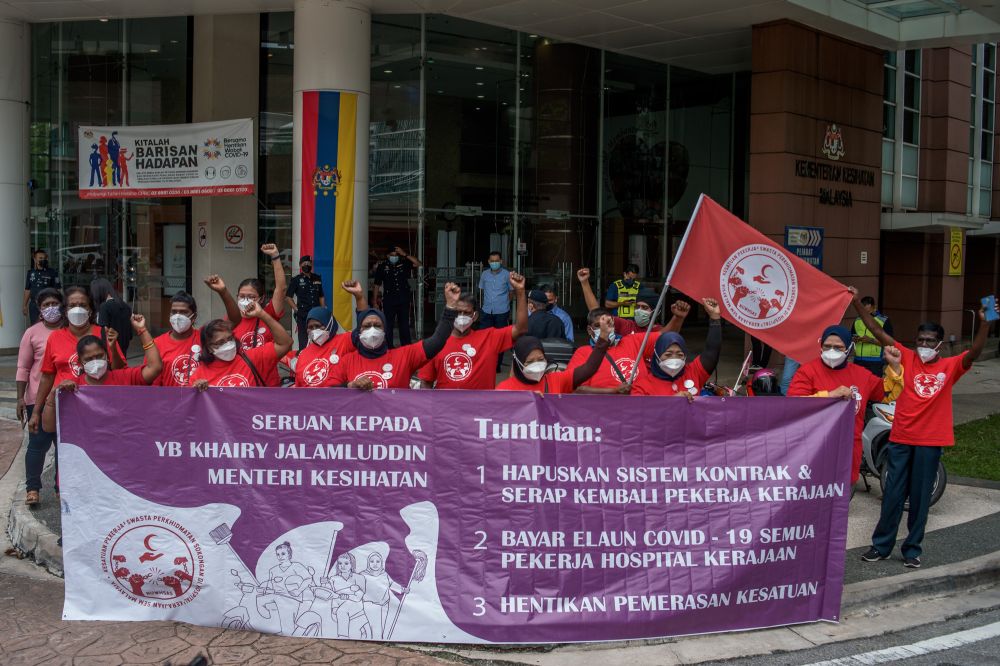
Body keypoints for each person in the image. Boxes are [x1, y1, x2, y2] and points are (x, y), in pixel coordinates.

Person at [853, 287, 999, 568]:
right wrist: (856, 301)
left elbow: (976, 351)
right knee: (892, 494)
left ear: (939, 344)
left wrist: (984, 323)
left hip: (930, 442)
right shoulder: (907, 358)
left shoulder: (951, 365)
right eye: (920, 339)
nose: (923, 344)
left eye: (929, 340)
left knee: (920, 498)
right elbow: (874, 328)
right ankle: (881, 545)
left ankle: (912, 550)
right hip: (901, 438)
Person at [787, 325, 904, 485]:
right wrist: (829, 396)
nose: (832, 351)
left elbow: (887, 393)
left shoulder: (862, 375)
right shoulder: (807, 372)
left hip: (847, 452)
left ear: (850, 348)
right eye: (827, 346)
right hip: (813, 451)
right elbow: (792, 406)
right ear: (820, 346)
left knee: (841, 505)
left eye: (838, 347)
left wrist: (895, 366)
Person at [28, 286, 124, 436]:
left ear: (91, 310)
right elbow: (47, 376)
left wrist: (112, 349)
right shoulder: (55, 338)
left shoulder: (104, 334)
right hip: (65, 409)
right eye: (72, 306)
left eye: (82, 305)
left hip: (100, 409)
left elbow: (120, 371)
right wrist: (36, 411)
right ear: (65, 311)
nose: (77, 309)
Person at [335, 283, 460, 390]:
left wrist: (451, 307)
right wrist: (350, 386)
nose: (372, 330)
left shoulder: (404, 356)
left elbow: (437, 341)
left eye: (377, 326)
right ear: (359, 332)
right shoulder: (347, 361)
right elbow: (327, 393)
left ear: (385, 331)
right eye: (367, 326)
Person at [417, 272, 527, 389]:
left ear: (474, 316)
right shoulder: (434, 344)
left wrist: (520, 292)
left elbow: (521, 329)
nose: (461, 316)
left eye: (467, 312)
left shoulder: (489, 337)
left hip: (481, 406)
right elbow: (425, 383)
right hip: (446, 406)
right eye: (457, 312)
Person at [569, 302, 690, 395]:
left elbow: (667, 338)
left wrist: (678, 317)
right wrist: (614, 391)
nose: (605, 329)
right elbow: (577, 389)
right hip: (604, 414)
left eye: (609, 324)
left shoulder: (632, 341)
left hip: (642, 409)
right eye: (599, 326)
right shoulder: (583, 353)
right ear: (590, 330)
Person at [214, 244, 287, 386]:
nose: (245, 300)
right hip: (240, 382)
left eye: (251, 296)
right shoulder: (232, 321)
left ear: (261, 298)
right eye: (242, 296)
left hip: (267, 383)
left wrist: (275, 256)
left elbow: (281, 289)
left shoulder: (268, 314)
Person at [16, 288, 63, 506]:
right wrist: (20, 398)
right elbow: (23, 367)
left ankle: (60, 488)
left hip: (67, 398)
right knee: (37, 445)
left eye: (55, 303)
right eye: (46, 305)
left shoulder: (70, 331)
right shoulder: (32, 333)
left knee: (64, 448)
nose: (51, 308)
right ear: (39, 308)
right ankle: (32, 489)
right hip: (38, 398)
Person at [496, 314, 613, 393]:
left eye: (541, 359)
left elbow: (589, 368)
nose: (537, 365)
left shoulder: (557, 380)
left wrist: (603, 337)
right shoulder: (504, 390)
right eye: (530, 362)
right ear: (519, 364)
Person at [630, 298, 722, 398]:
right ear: (657, 356)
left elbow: (712, 351)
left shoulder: (693, 372)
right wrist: (673, 401)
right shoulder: (642, 387)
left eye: (679, 354)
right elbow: (640, 412)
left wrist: (715, 317)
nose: (674, 358)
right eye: (668, 354)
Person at [192, 299, 293, 389]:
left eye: (230, 338)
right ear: (209, 348)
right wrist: (196, 390)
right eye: (220, 342)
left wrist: (262, 314)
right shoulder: (199, 374)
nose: (228, 344)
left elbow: (286, 343)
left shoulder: (252, 358)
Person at [293, 282, 369, 388]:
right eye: (311, 327)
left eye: (319, 326)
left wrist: (359, 297)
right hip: (309, 403)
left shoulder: (344, 341)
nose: (315, 330)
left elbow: (365, 327)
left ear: (330, 324)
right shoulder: (303, 354)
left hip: (338, 400)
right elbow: (298, 387)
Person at [59, 315, 161, 389]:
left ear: (107, 357)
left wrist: (142, 330)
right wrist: (55, 394)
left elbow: (155, 368)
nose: (95, 362)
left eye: (99, 356)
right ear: (80, 363)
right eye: (89, 359)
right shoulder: (73, 387)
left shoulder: (124, 377)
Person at [578, 268, 665, 336]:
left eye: (644, 308)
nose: (639, 310)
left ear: (656, 311)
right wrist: (584, 282)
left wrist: (678, 317)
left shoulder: (660, 332)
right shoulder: (627, 326)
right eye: (637, 307)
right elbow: (596, 313)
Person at [372, 245, 420, 348]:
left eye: (396, 255)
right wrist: (375, 301)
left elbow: (418, 263)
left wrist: (404, 254)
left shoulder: (404, 263)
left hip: (403, 299)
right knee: (388, 325)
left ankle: (406, 347)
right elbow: (376, 284)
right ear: (387, 255)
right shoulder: (382, 266)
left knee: (404, 324)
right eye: (392, 255)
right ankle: (389, 347)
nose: (394, 256)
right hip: (389, 299)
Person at [153, 291, 201, 387]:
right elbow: (153, 382)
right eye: (174, 312)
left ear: (194, 317)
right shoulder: (157, 344)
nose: (177, 316)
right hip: (169, 400)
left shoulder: (204, 339)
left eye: (184, 312)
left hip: (199, 400)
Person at [478, 251, 512, 371]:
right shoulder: (484, 274)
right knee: (484, 338)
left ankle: (497, 365)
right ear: (488, 262)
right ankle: (484, 364)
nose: (494, 263)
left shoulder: (507, 275)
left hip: (502, 311)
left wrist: (504, 302)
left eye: (496, 261)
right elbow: (482, 291)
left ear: (501, 261)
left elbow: (511, 292)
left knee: (500, 339)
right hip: (486, 311)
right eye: (492, 261)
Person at [286, 255, 326, 350]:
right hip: (303, 314)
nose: (307, 265)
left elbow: (321, 296)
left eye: (308, 263)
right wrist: (296, 309)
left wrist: (323, 310)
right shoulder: (296, 280)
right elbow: (288, 297)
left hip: (316, 314)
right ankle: (304, 358)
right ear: (300, 266)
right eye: (304, 264)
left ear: (311, 264)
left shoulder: (317, 278)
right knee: (303, 340)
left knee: (319, 337)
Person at [91, 278, 134, 355]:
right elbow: (130, 335)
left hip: (110, 350)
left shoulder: (104, 306)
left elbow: (103, 331)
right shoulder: (125, 306)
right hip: (124, 348)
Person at [853, 296, 894, 377]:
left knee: (874, 386)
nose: (864, 312)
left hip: (875, 361)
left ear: (873, 306)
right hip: (858, 360)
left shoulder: (883, 320)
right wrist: (854, 339)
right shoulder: (857, 320)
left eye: (867, 308)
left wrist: (870, 340)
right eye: (862, 308)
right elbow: (852, 335)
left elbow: (889, 343)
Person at [23, 249, 61, 325]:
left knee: (48, 324)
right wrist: (24, 305)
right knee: (34, 324)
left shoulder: (52, 272)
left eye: (44, 258)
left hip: (48, 304)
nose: (42, 260)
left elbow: (58, 289)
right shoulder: (31, 273)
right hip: (34, 305)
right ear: (35, 259)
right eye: (40, 258)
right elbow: (27, 289)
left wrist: (60, 304)